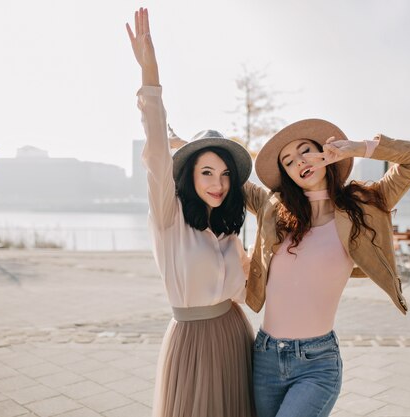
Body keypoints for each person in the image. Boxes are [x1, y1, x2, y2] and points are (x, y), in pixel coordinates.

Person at [243, 119, 410, 417]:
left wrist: (358, 149)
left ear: (326, 153)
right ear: (287, 175)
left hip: (317, 364)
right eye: (289, 162)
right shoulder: (274, 210)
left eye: (305, 151)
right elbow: (228, 177)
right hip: (265, 357)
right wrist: (188, 146)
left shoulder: (363, 206)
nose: (299, 162)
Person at [125, 8, 255, 417]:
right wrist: (151, 78)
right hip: (192, 343)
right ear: (190, 177)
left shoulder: (228, 229)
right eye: (206, 172)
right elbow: (158, 157)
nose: (217, 182)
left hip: (236, 337)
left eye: (224, 174)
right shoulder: (170, 219)